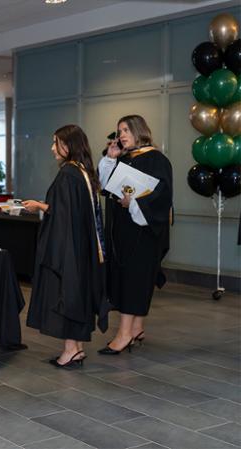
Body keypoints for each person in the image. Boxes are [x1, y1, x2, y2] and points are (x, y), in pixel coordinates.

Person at [23, 125, 110, 368]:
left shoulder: (68, 174)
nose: (52, 148)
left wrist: (40, 208)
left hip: (68, 249)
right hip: (83, 247)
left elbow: (62, 216)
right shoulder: (83, 173)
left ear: (68, 145)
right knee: (78, 294)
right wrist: (44, 206)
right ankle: (77, 349)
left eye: (56, 142)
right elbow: (69, 212)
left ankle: (70, 350)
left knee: (67, 293)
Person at [97, 114, 172, 355]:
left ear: (139, 131)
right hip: (124, 231)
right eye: (119, 131)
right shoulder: (125, 158)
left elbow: (162, 196)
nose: (121, 135)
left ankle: (124, 334)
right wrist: (110, 159)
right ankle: (137, 327)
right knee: (129, 279)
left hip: (143, 233)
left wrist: (134, 203)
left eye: (126, 130)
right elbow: (106, 186)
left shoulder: (157, 159)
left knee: (133, 281)